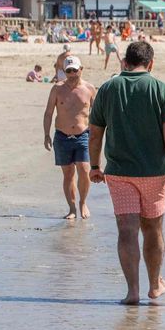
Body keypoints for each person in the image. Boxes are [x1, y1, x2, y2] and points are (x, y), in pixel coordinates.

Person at [88, 41, 165, 305]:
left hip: (119, 172)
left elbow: (95, 132)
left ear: (125, 62)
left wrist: (94, 166)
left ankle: (132, 291)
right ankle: (154, 286)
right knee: (153, 229)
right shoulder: (161, 88)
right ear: (150, 64)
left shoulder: (108, 88)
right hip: (153, 171)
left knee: (127, 230)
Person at [44, 56, 97, 220]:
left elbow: (96, 116)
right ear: (64, 72)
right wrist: (46, 134)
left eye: (75, 70)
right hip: (62, 136)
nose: (72, 74)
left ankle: (83, 203)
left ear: (81, 69)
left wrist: (98, 137)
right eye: (69, 71)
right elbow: (48, 113)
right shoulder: (57, 89)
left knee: (84, 169)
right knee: (68, 174)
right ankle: (72, 208)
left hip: (83, 136)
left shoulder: (89, 88)